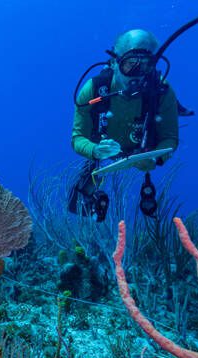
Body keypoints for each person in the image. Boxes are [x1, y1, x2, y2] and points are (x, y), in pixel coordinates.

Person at [68, 29, 183, 221]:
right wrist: (95, 150)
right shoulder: (94, 90)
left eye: (146, 66)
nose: (137, 75)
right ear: (114, 62)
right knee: (77, 206)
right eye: (131, 65)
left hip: (143, 149)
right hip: (101, 152)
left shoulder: (163, 92)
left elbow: (170, 139)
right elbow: (77, 138)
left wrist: (155, 159)